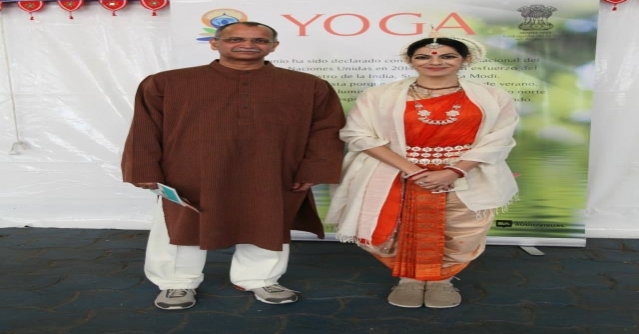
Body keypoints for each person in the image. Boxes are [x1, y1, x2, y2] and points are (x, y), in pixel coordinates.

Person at [122, 21, 345, 310]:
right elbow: (145, 128)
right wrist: (144, 170)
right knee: (182, 226)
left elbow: (326, 129)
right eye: (235, 39)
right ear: (214, 43)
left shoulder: (308, 86)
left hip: (273, 169)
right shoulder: (167, 83)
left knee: (266, 221)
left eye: (260, 40)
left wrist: (313, 169)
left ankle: (260, 277)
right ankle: (176, 282)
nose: (248, 45)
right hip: (189, 171)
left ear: (274, 46)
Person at [326, 35, 518, 309]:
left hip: (464, 174)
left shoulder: (493, 97)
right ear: (410, 60)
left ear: (465, 59)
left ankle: (442, 280)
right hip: (396, 173)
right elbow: (356, 134)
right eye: (423, 56)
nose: (435, 62)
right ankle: (408, 280)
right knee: (390, 228)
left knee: (462, 231)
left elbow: (499, 139)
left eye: (447, 56)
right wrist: (413, 171)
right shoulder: (378, 96)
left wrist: (454, 170)